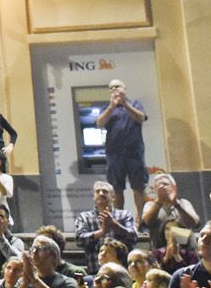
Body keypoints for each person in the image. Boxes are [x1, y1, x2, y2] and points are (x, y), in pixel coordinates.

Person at [97, 79, 148, 212]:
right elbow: (99, 123)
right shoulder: (106, 107)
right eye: (112, 88)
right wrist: (111, 107)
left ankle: (142, 221)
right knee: (116, 189)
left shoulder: (135, 104)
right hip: (114, 154)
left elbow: (141, 118)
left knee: (138, 188)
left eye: (117, 86)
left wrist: (125, 104)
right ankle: (120, 220)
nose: (115, 89)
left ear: (124, 89)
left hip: (134, 153)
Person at [141, 173, 199, 264]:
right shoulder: (150, 205)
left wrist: (176, 205)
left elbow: (194, 223)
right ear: (154, 190)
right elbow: (147, 222)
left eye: (165, 184)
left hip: (187, 254)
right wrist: (159, 202)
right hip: (159, 254)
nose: (162, 187)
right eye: (158, 186)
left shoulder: (184, 203)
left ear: (173, 187)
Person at [74, 181, 139, 254]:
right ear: (93, 197)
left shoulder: (125, 215)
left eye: (105, 191)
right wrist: (102, 232)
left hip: (121, 265)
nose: (101, 194)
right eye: (97, 191)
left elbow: (134, 237)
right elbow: (79, 241)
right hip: (96, 264)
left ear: (113, 197)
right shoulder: (84, 217)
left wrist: (114, 224)